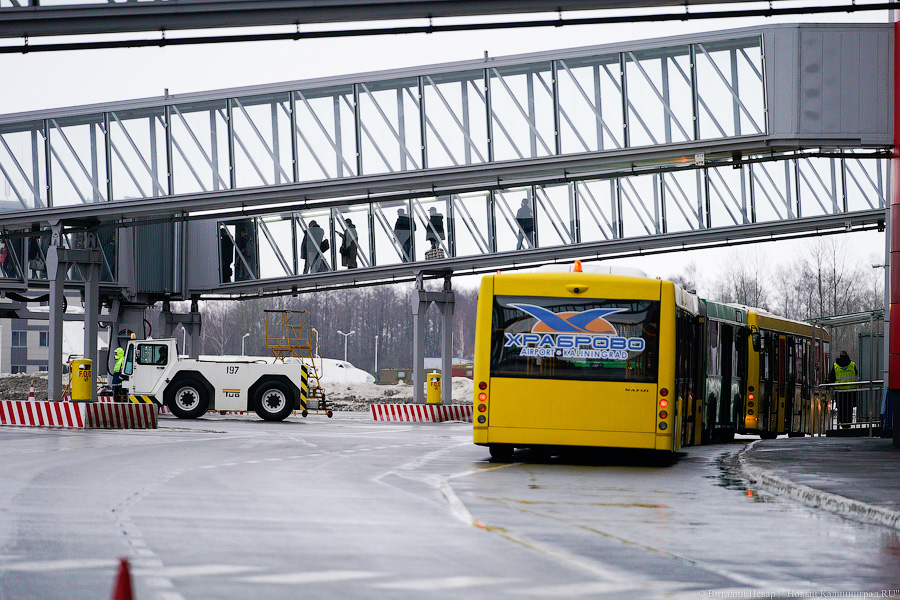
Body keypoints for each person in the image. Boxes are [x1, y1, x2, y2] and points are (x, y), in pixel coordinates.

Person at [828, 350, 858, 427]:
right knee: (849, 409)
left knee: (841, 408)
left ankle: (841, 423)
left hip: (839, 391)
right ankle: (848, 423)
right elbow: (856, 373)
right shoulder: (852, 364)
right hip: (850, 391)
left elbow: (831, 378)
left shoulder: (836, 365)